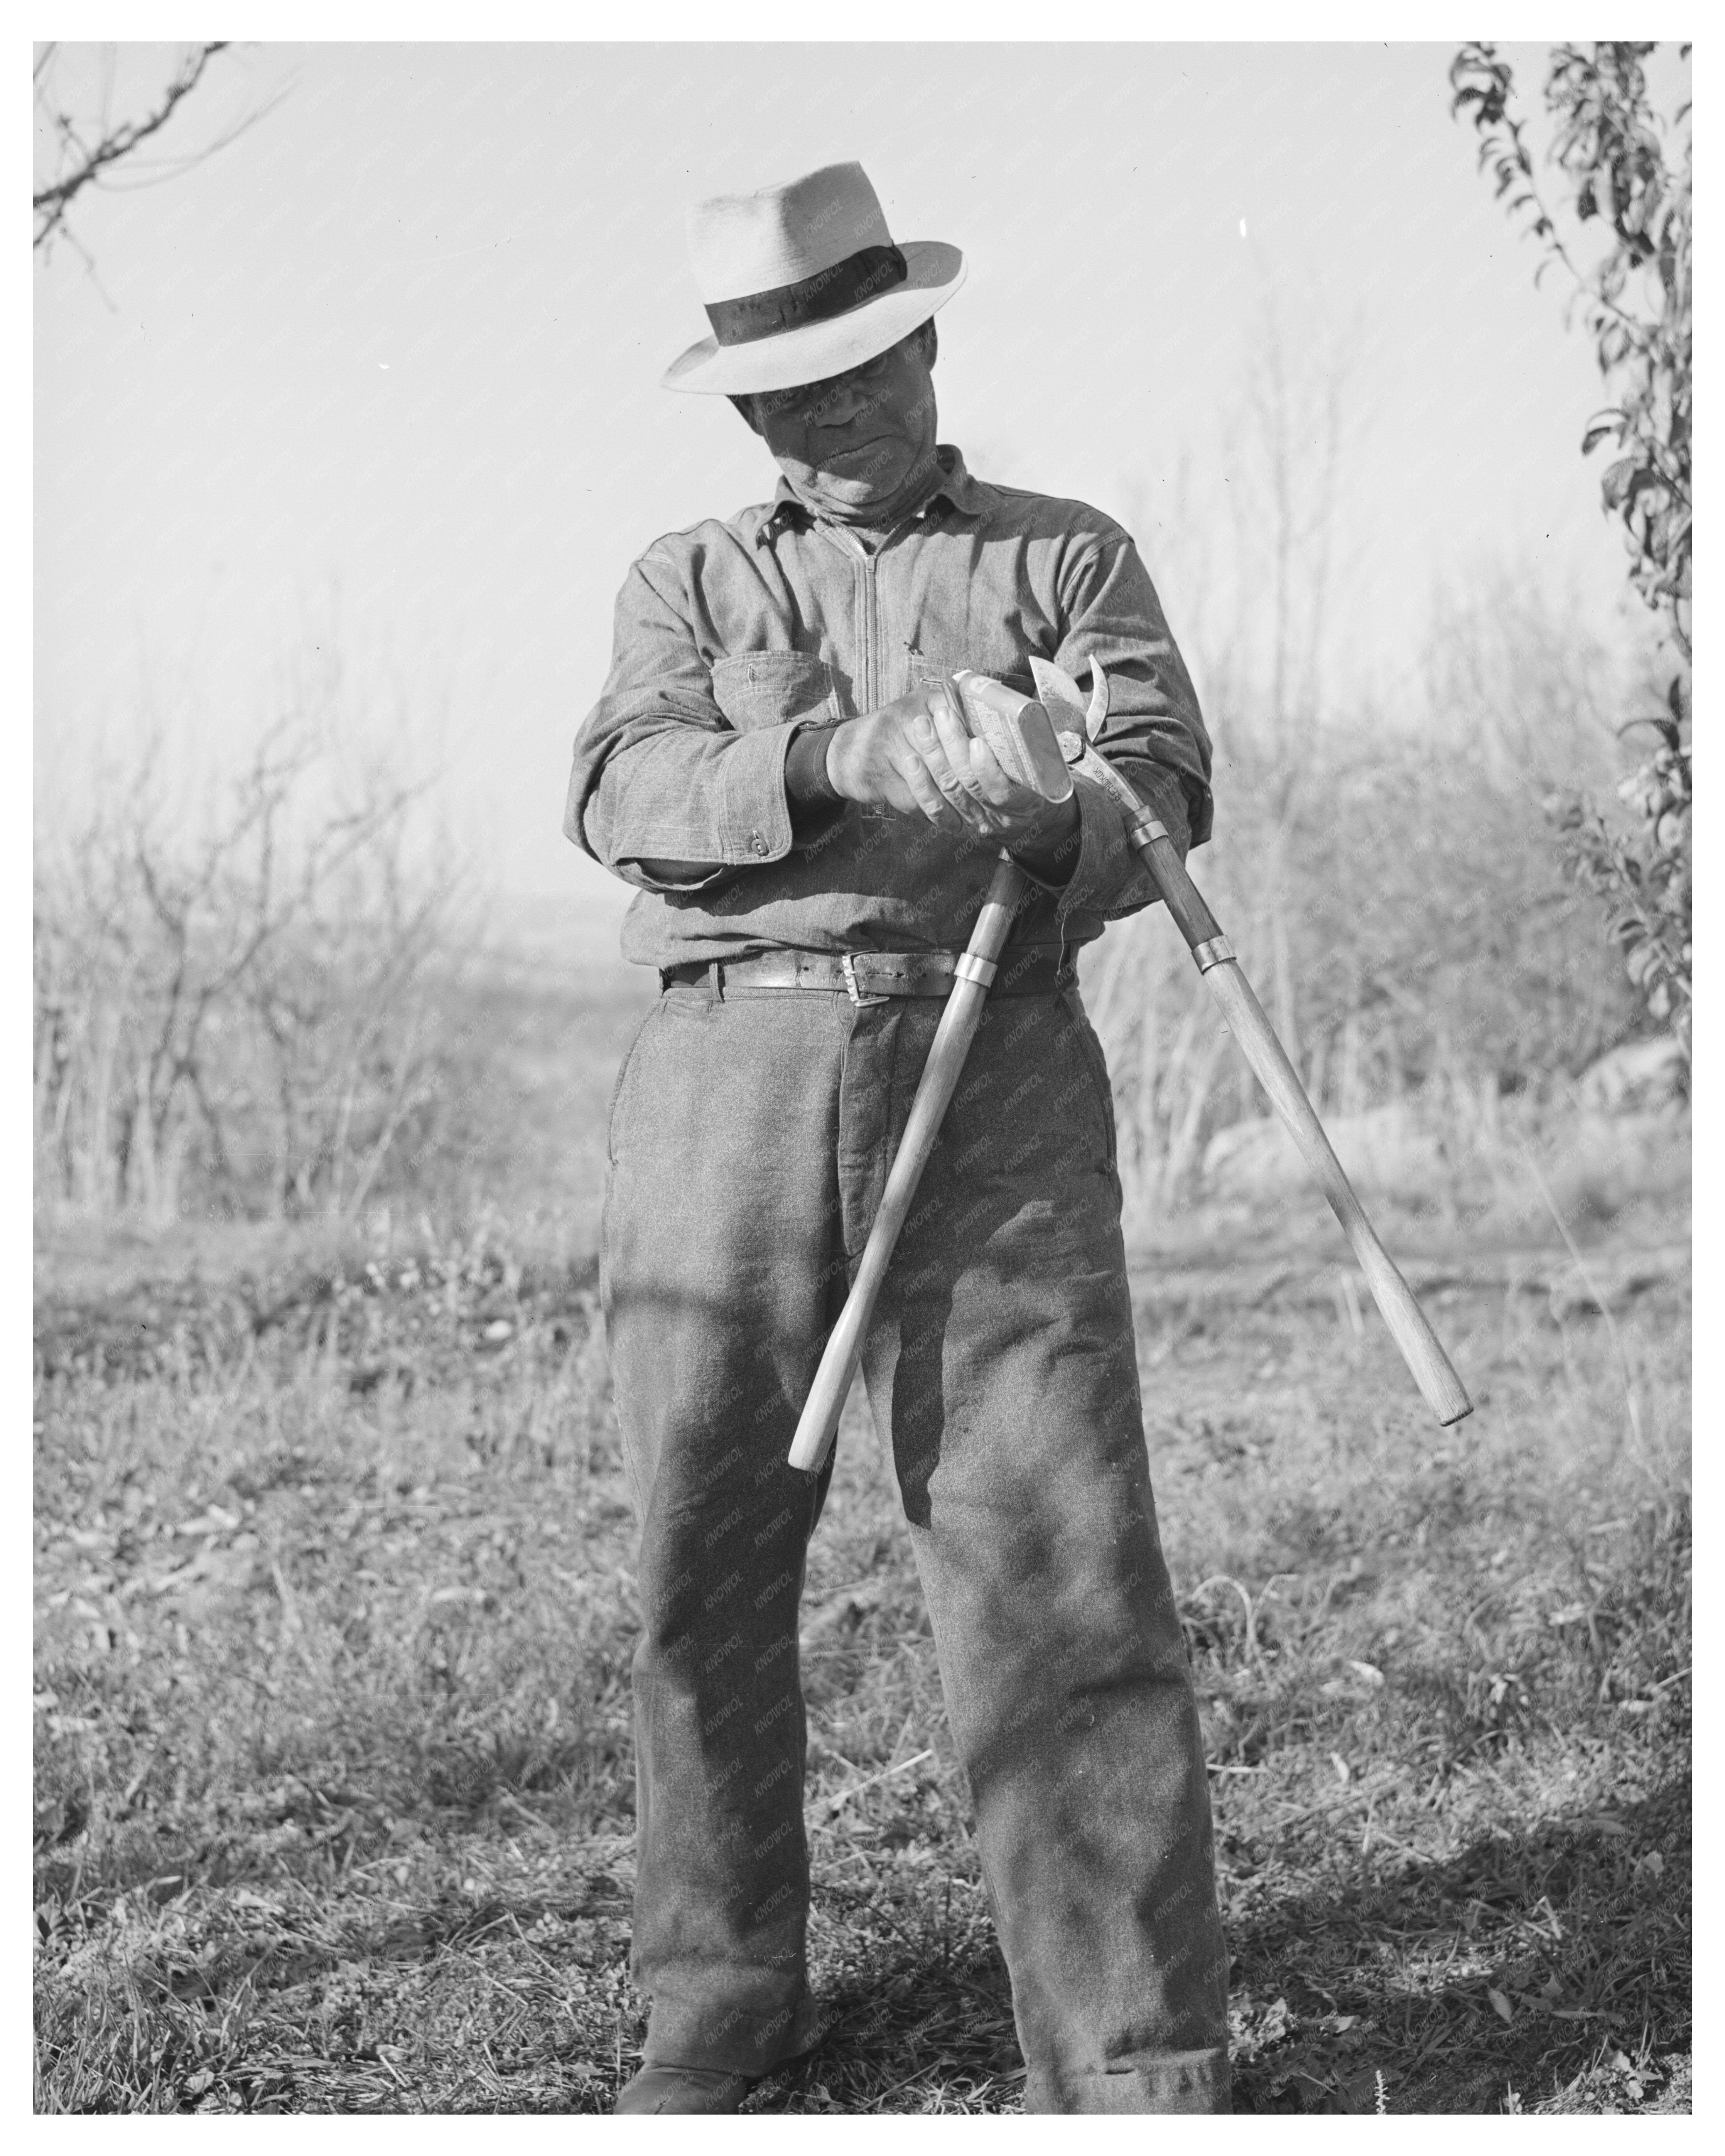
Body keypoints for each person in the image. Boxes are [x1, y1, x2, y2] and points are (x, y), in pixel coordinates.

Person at [565, 160, 1230, 2116]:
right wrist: (844, 754)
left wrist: (1057, 807)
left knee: (1060, 1563)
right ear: (743, 408)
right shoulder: (689, 580)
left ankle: (1131, 2067)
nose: (822, 414)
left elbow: (1161, 797)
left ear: (926, 346)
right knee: (701, 1560)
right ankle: (721, 2020)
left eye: (858, 370)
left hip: (996, 1072)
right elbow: (622, 791)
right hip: (726, 1088)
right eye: (781, 391)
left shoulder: (1062, 559)